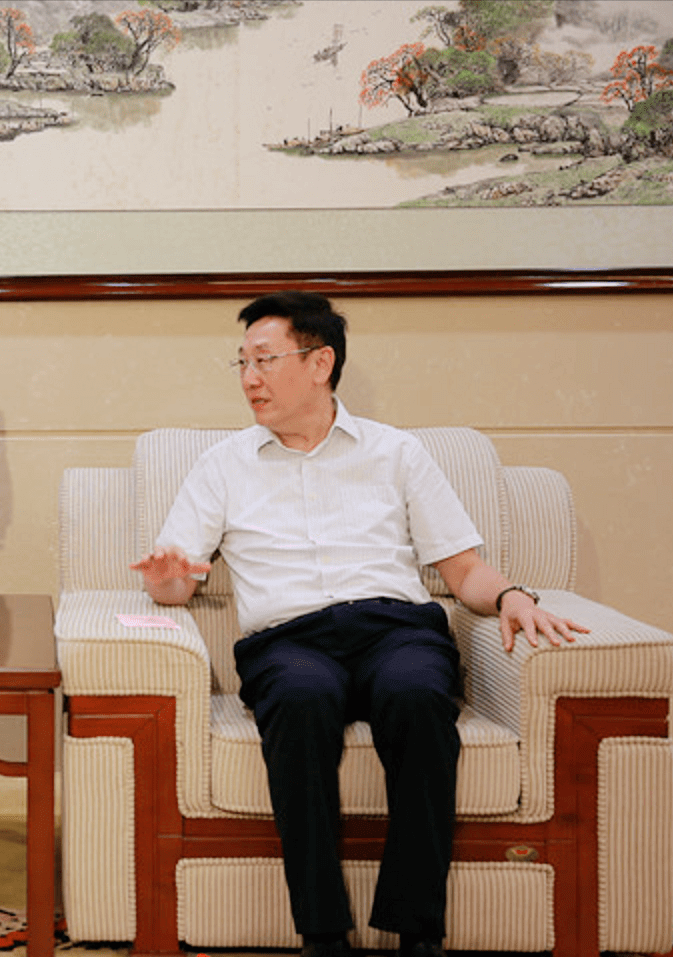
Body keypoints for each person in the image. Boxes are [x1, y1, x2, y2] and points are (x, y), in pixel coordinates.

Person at [130, 291, 587, 957]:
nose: (249, 378)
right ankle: (323, 934)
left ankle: (418, 930)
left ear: (320, 362)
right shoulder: (221, 465)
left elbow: (462, 569)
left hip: (393, 630)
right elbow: (177, 585)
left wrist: (513, 596)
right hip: (287, 641)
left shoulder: (395, 452)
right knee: (301, 698)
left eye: (264, 360)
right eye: (242, 363)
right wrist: (162, 577)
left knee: (418, 695)